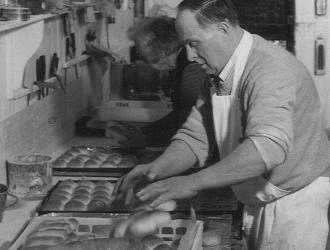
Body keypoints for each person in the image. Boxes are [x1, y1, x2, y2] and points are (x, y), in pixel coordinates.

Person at [115, 0, 330, 249]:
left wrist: (191, 183)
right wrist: (157, 168)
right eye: (185, 46)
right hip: (261, 195)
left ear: (223, 29)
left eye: (194, 44)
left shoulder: (270, 69)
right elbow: (195, 137)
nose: (189, 56)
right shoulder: (218, 74)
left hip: (293, 203)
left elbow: (267, 148)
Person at [128, 16, 207, 147]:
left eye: (149, 59)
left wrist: (146, 140)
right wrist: (143, 132)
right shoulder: (178, 63)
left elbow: (190, 124)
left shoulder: (193, 67)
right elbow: (179, 114)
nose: (152, 67)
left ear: (162, 50)